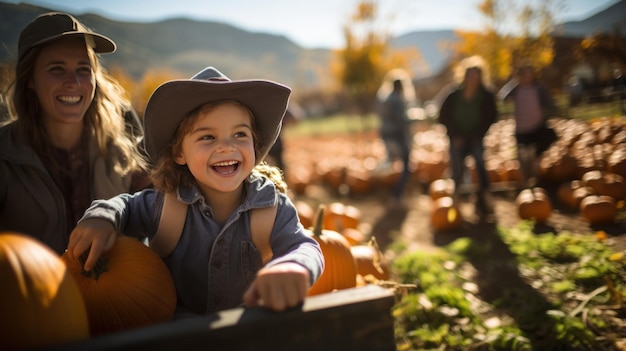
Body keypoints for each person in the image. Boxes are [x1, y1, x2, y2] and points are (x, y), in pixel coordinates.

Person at [66, 66, 324, 315]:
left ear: (255, 147)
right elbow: (124, 206)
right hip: (176, 335)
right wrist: (103, 217)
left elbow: (305, 246)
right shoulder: (165, 205)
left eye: (240, 135)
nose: (226, 147)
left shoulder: (271, 207)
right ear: (179, 152)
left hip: (247, 332)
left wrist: (295, 264)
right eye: (207, 137)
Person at [0, 12, 150, 255]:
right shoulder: (5, 156)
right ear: (29, 79)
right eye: (57, 69)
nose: (74, 82)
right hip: (31, 290)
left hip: (116, 288)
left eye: (84, 69)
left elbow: (153, 211)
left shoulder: (124, 146)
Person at [438, 56, 498, 220]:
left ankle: (483, 202)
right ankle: (455, 202)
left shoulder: (485, 95)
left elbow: (491, 116)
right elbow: (443, 116)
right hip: (457, 138)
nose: (472, 79)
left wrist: (477, 135)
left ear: (480, 77)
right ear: (464, 76)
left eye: (475, 76)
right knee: (457, 168)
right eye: (469, 75)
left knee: (480, 165)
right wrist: (455, 135)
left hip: (476, 137)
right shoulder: (453, 94)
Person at [500, 63, 556, 187]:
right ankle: (525, 182)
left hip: (537, 126)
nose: (527, 76)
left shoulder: (538, 88)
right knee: (523, 157)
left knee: (535, 157)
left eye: (529, 73)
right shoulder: (516, 89)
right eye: (524, 74)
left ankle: (536, 181)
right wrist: (515, 82)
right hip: (521, 128)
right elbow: (503, 96)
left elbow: (550, 103)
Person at [376, 68, 417, 204]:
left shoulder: (385, 99)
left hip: (387, 135)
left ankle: (387, 191)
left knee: (391, 162)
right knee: (406, 166)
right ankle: (396, 194)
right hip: (397, 136)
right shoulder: (397, 100)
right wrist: (415, 118)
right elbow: (401, 119)